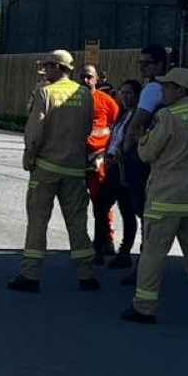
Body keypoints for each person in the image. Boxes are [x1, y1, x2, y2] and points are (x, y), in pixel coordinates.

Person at [122, 67, 188, 325]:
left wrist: (142, 139)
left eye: (166, 87)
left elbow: (147, 153)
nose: (162, 91)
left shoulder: (168, 117)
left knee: (154, 252)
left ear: (179, 90)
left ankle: (144, 306)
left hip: (167, 193)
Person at [8, 48, 96, 293]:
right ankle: (87, 275)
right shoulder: (85, 94)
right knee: (78, 222)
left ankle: (30, 275)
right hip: (75, 170)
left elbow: (34, 133)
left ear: (58, 68)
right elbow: (88, 128)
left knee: (37, 221)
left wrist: (29, 159)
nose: (45, 70)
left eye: (48, 66)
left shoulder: (44, 93)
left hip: (46, 168)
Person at [118, 44, 170, 284]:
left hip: (143, 158)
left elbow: (137, 122)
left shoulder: (151, 90)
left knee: (144, 215)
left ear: (160, 65)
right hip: (164, 159)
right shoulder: (171, 89)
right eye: (140, 63)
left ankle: (143, 269)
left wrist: (126, 148)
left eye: (147, 63)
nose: (142, 67)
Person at [96, 78, 142, 269]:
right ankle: (101, 244)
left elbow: (134, 141)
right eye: (122, 92)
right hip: (113, 167)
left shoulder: (139, 116)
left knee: (127, 211)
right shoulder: (123, 114)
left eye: (129, 93)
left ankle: (124, 252)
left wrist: (121, 155)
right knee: (100, 204)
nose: (124, 96)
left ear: (138, 96)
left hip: (125, 169)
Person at [79, 63, 120, 262]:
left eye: (89, 77)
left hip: (98, 157)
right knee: (77, 203)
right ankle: (82, 243)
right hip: (77, 158)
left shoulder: (105, 101)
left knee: (100, 202)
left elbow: (115, 124)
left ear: (97, 79)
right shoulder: (73, 100)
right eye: (83, 76)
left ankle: (107, 240)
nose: (85, 80)